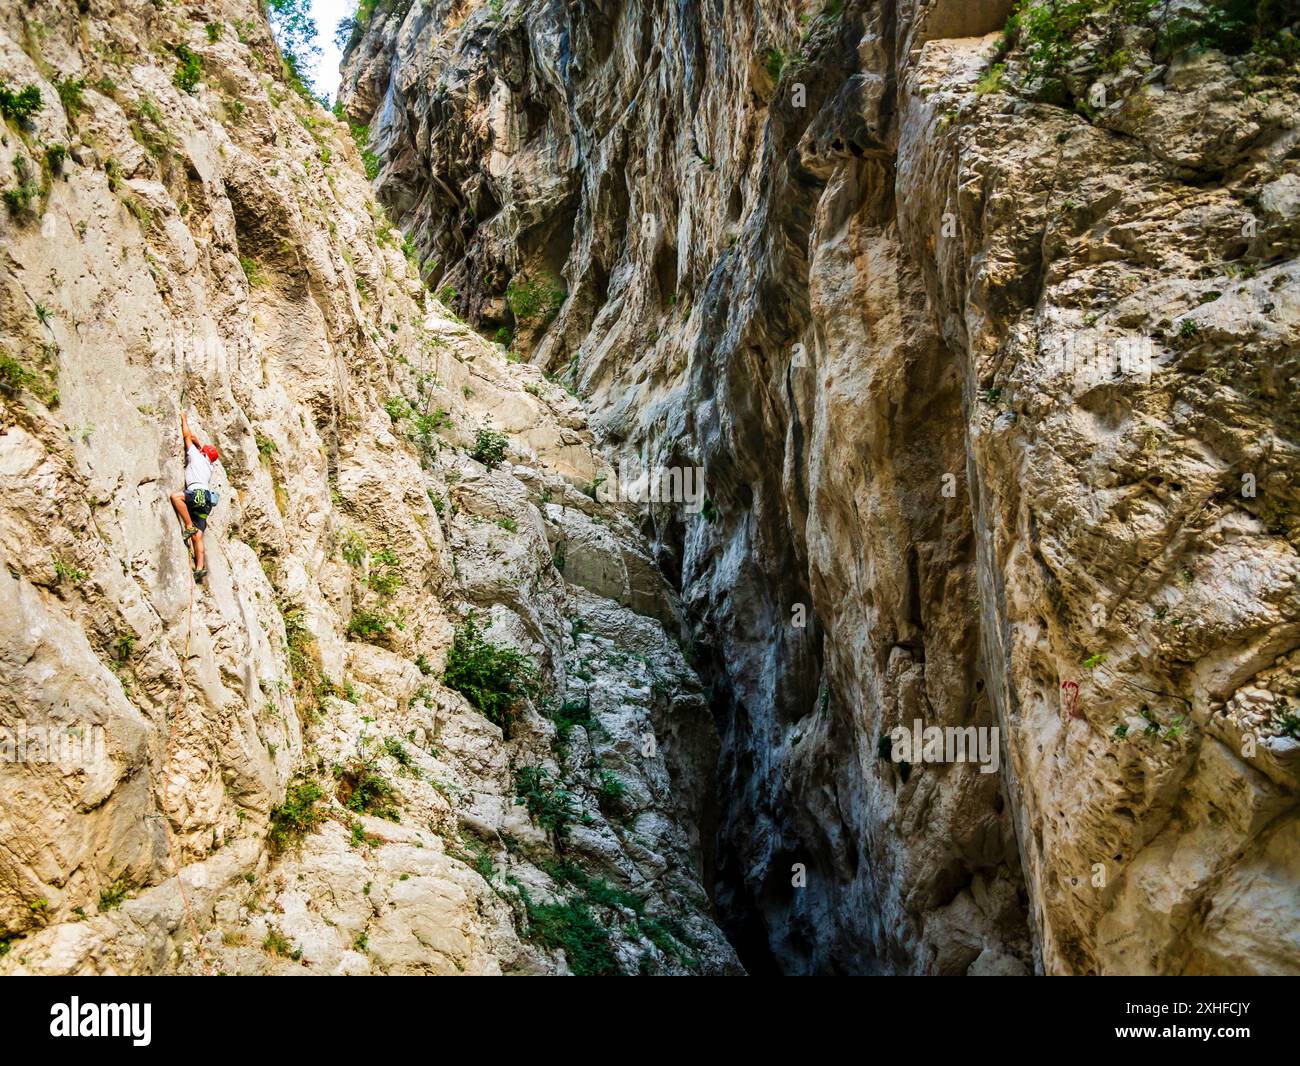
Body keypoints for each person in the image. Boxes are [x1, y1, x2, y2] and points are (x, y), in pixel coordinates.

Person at [169, 411, 219, 584]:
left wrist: (183, 419)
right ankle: (199, 568)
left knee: (176, 497)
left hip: (197, 493)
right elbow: (198, 445)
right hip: (207, 501)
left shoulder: (196, 456)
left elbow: (187, 436)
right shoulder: (209, 466)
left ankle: (189, 525)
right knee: (198, 536)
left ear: (202, 452)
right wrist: (200, 445)